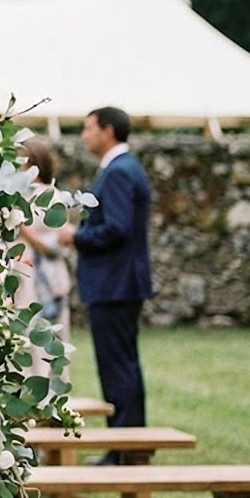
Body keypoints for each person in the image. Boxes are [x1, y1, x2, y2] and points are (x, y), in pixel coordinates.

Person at [57, 106, 153, 449]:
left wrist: (75, 237)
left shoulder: (118, 172)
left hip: (115, 283)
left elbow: (117, 228)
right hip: (118, 283)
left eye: (88, 128)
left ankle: (126, 448)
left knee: (118, 367)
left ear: (108, 130)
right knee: (121, 364)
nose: (84, 136)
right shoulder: (122, 169)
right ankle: (128, 444)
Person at [14, 136, 74, 381]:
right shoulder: (12, 196)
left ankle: (50, 400)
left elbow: (59, 242)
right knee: (21, 339)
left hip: (45, 279)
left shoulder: (51, 196)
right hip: (19, 277)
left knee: (48, 340)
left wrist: (25, 231)